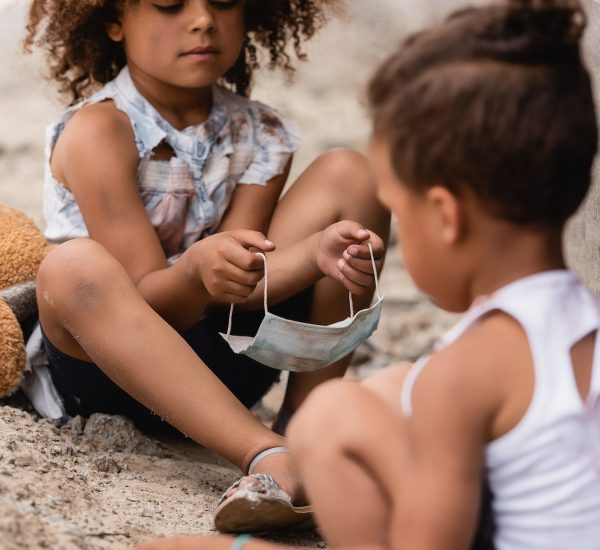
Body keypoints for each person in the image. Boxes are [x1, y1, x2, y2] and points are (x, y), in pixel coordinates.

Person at [133, 0, 600, 548]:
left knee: (330, 420)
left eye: (399, 205)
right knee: (364, 400)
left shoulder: (466, 374)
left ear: (446, 217)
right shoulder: (578, 331)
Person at [23, 0, 390, 534]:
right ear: (113, 20)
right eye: (170, 3)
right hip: (112, 372)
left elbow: (244, 283)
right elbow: (148, 299)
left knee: (350, 174)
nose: (202, 20)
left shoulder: (260, 133)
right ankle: (265, 451)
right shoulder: (99, 130)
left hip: (227, 358)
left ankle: (306, 428)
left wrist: (315, 255)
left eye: (223, 1)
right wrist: (196, 269)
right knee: (72, 267)